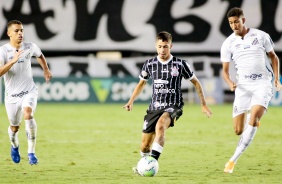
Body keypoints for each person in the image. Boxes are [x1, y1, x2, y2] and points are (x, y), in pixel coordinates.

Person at [123, 31, 212, 174]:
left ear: (171, 46)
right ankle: (144, 166)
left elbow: (196, 83)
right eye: (159, 46)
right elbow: (141, 84)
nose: (162, 50)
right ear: (155, 46)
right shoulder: (150, 64)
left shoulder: (180, 64)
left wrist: (203, 104)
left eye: (165, 47)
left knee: (161, 126)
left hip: (174, 105)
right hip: (154, 107)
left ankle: (152, 163)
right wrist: (130, 101)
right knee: (145, 146)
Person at [221, 7, 282, 173]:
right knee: (238, 130)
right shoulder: (228, 43)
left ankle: (232, 161)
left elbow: (274, 58)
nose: (234, 25)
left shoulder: (261, 36)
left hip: (262, 83)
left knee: (253, 118)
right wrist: (229, 82)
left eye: (236, 21)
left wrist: (276, 78)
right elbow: (225, 71)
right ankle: (252, 119)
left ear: (243, 20)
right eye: (231, 23)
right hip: (243, 87)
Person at [0, 20, 52, 165]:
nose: (20, 33)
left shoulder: (30, 47)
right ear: (9, 33)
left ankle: (31, 153)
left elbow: (40, 55)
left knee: (28, 114)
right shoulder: (3, 51)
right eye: (16, 31)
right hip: (11, 97)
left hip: (29, 91)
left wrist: (46, 69)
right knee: (14, 127)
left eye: (21, 30)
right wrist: (12, 61)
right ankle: (14, 146)